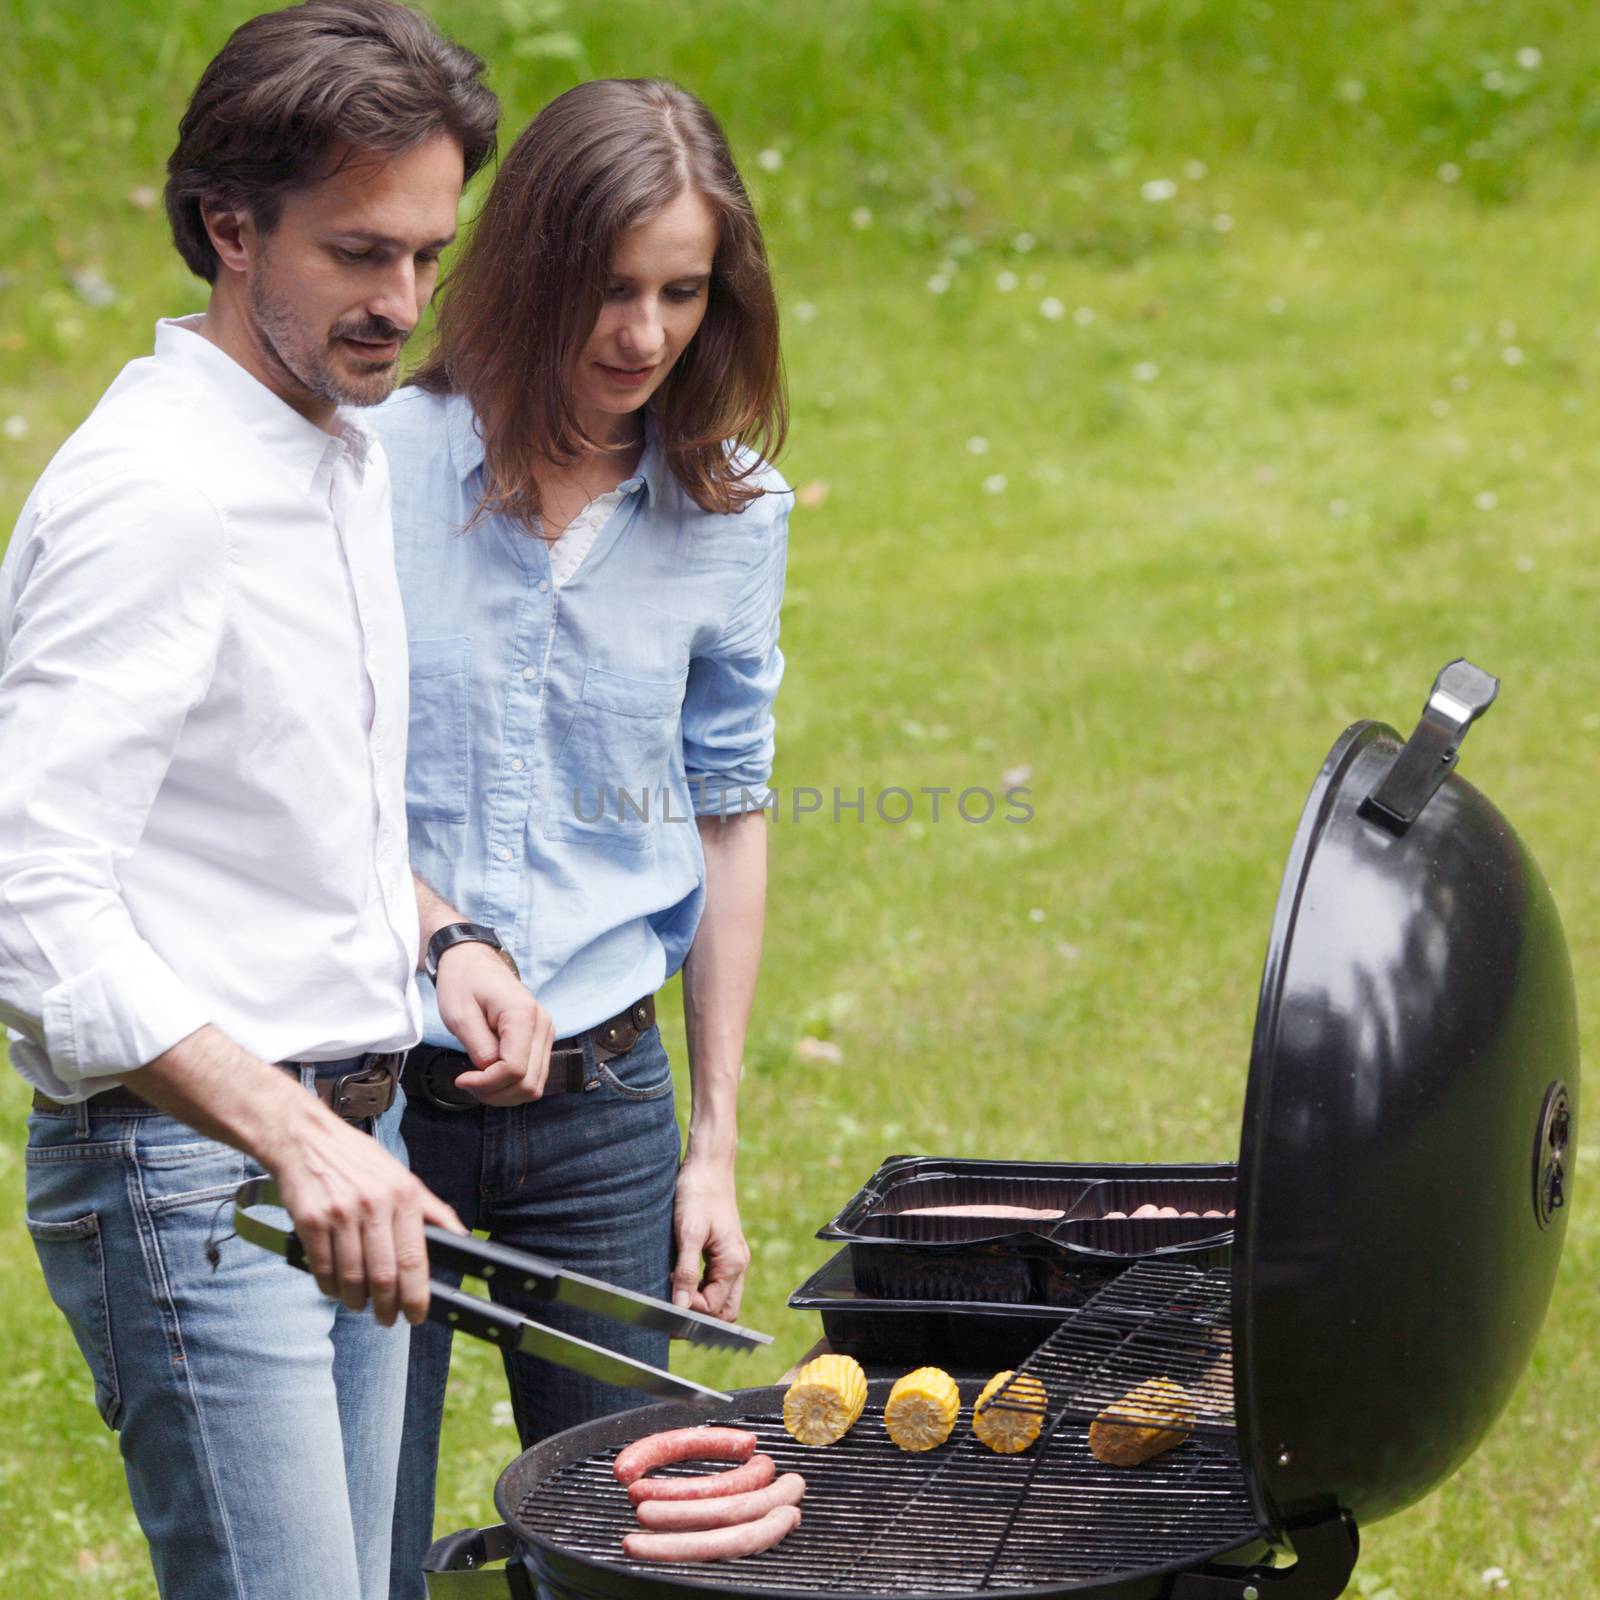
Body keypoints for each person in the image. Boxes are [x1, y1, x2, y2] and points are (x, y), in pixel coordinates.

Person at [0, 5, 554, 1597]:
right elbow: (35, 901)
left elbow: (279, 807)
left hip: (348, 1146)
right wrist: (295, 1136)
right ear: (228, 227)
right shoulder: (155, 495)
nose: (402, 305)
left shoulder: (338, 443)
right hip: (196, 1177)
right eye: (359, 254)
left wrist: (443, 936)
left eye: (428, 256)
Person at [370, 77, 789, 1591]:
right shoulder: (377, 464)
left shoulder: (732, 516)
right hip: (370, 1099)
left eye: (684, 291)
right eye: (610, 287)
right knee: (362, 1556)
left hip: (604, 1105)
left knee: (637, 1555)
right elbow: (310, 779)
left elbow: (728, 817)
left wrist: (713, 1146)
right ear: (530, 264)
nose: (645, 334)